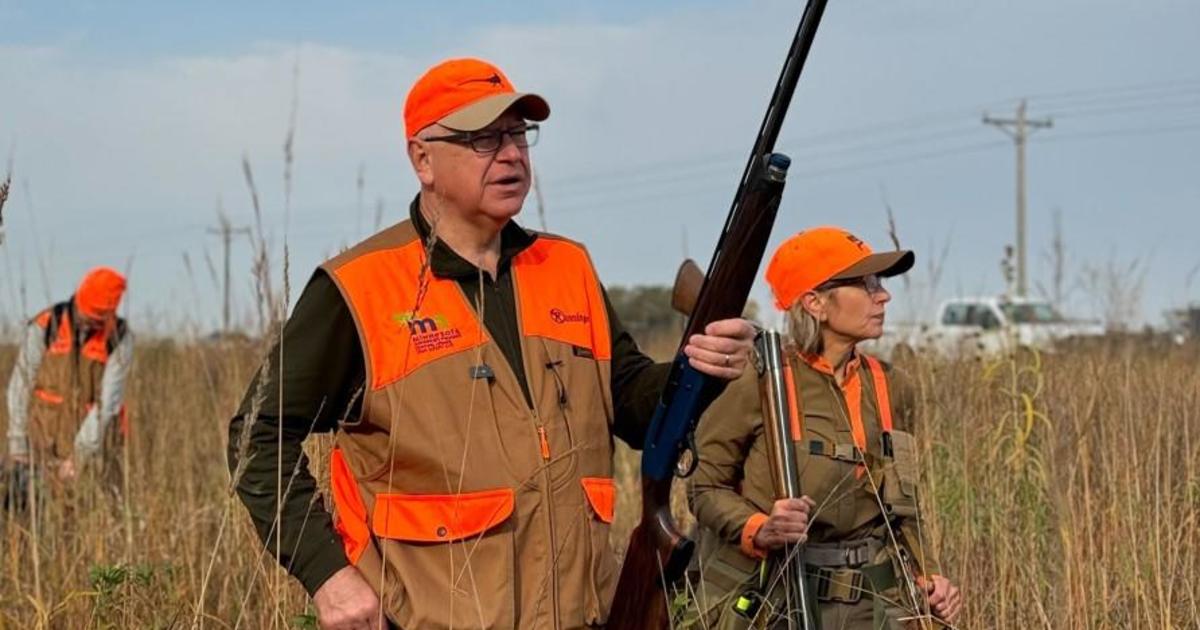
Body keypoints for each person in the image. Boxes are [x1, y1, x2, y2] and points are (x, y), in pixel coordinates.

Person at [227, 57, 756, 630]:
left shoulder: (566, 265)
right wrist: (329, 576)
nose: (511, 154)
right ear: (422, 159)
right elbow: (258, 436)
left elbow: (630, 403)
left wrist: (696, 370)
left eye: (517, 134)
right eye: (483, 139)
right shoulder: (359, 287)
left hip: (584, 614)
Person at [689, 227, 962, 628]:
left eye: (880, 284)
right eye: (866, 285)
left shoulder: (892, 386)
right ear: (815, 302)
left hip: (872, 602)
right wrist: (760, 528)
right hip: (776, 596)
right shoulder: (758, 380)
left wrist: (930, 577)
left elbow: (904, 509)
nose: (883, 296)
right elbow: (703, 487)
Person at [5, 267, 132, 490]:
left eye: (95, 320)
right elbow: (20, 385)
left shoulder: (119, 338)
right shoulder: (45, 326)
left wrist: (79, 455)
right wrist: (18, 444)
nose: (86, 323)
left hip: (95, 448)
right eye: (84, 314)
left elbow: (107, 404)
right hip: (41, 444)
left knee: (91, 514)